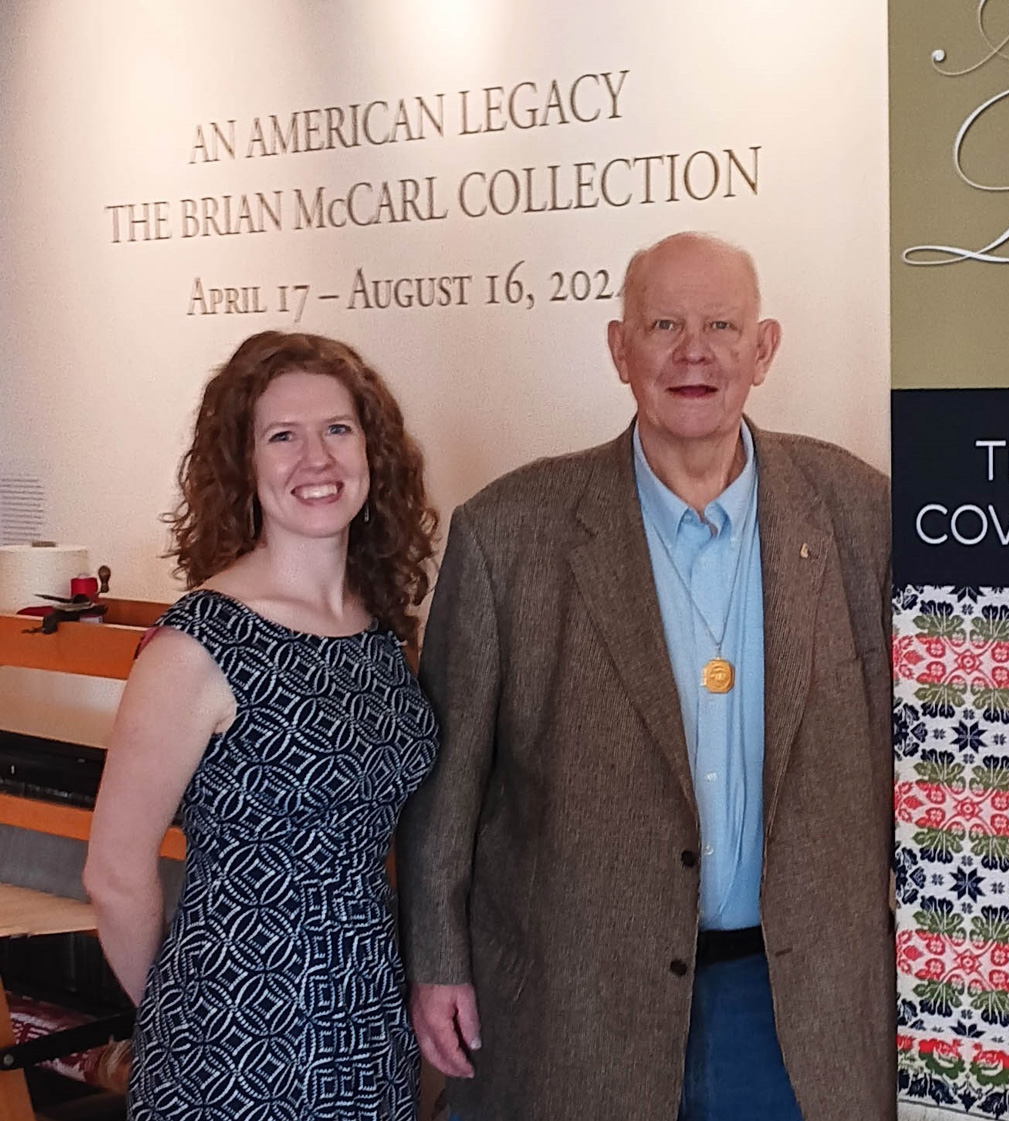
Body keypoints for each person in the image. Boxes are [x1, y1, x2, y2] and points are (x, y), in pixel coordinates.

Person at [398, 232, 894, 1120]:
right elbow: (449, 785)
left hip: (797, 1010)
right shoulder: (508, 533)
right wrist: (437, 959)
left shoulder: (861, 511)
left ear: (764, 348)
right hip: (579, 1003)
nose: (693, 350)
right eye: (663, 323)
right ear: (620, 348)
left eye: (721, 325)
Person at [84, 331, 440, 1120]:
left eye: (337, 429)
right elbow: (113, 872)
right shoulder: (198, 642)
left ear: (372, 451)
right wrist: (192, 1015)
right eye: (283, 436)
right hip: (236, 1039)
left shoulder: (376, 627)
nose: (316, 458)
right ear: (244, 466)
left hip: (368, 1019)